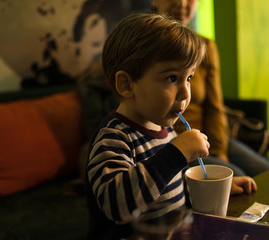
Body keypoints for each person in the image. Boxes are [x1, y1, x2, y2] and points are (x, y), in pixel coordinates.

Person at [85, 13, 257, 240]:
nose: (186, 93)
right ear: (126, 84)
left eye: (189, 78)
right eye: (171, 78)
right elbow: (119, 206)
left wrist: (212, 187)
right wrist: (177, 152)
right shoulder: (114, 138)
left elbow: (164, 189)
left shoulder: (166, 131)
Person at [151, 0, 269, 176]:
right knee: (236, 176)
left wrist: (219, 149)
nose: (182, 3)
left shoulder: (205, 46)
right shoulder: (147, 48)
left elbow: (215, 105)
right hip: (174, 144)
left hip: (209, 136)